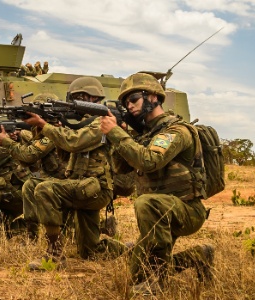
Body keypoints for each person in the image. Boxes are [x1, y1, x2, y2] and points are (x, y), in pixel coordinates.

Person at [100, 72, 214, 294]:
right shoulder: (145, 135)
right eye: (125, 103)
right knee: (136, 266)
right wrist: (119, 136)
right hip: (162, 211)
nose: (129, 106)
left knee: (146, 203)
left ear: (153, 97)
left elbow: (149, 161)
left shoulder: (176, 130)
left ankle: (155, 283)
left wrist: (116, 133)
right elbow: (122, 168)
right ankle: (198, 256)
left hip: (186, 209)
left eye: (133, 99)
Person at [22, 77, 127, 271]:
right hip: (82, 186)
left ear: (93, 99)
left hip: (96, 188)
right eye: (74, 98)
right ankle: (130, 249)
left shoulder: (102, 122)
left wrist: (46, 126)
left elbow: (75, 142)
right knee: (90, 251)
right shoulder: (82, 123)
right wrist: (53, 127)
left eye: (80, 98)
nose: (75, 103)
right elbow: (66, 150)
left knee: (45, 189)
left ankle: (54, 255)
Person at [0, 93, 69, 242]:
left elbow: (29, 155)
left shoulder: (54, 131)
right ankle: (31, 234)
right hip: (53, 180)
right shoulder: (39, 131)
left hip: (64, 182)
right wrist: (16, 140)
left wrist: (7, 142)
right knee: (30, 185)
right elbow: (28, 162)